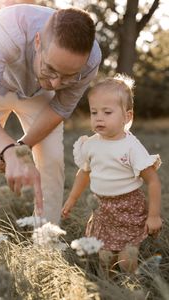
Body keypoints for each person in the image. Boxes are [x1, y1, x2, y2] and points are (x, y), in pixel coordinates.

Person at [0, 4, 102, 224]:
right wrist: (8, 152)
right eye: (50, 68)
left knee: (51, 159)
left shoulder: (90, 60)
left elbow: (59, 107)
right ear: (38, 42)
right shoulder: (7, 29)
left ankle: (47, 237)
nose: (56, 83)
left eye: (68, 76)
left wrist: (22, 148)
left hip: (37, 95)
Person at [62, 74, 162, 273]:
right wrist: (72, 199)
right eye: (94, 112)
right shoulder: (90, 144)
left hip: (128, 208)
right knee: (105, 259)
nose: (99, 117)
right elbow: (84, 173)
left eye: (107, 112)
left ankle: (129, 285)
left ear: (127, 116)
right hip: (103, 209)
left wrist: (154, 216)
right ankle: (108, 287)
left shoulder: (131, 147)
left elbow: (153, 182)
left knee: (125, 261)